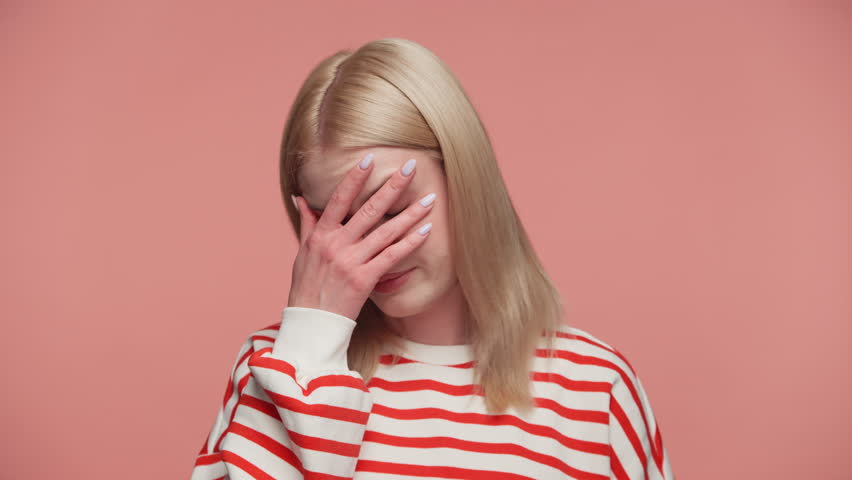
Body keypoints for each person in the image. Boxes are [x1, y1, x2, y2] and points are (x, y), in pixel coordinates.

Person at [190, 37, 674, 480]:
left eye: (392, 209)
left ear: (465, 176)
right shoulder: (273, 366)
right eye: (337, 223)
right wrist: (308, 347)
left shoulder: (596, 388)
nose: (372, 248)